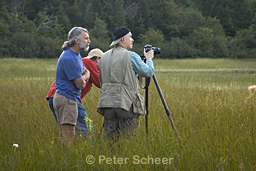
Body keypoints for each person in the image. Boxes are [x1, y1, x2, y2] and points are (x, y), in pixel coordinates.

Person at [97, 27, 154, 141]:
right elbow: (148, 72)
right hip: (126, 104)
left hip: (107, 103)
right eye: (130, 37)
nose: (132, 40)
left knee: (109, 141)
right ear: (123, 39)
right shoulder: (131, 56)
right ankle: (125, 159)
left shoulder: (103, 57)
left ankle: (108, 158)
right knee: (127, 141)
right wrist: (149, 59)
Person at [46, 48, 103, 138]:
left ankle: (69, 150)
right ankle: (87, 150)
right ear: (97, 59)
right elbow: (100, 83)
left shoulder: (80, 61)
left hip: (53, 97)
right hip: (66, 96)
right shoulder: (89, 63)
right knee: (87, 128)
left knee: (67, 131)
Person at [53, 27, 91, 143]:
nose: (89, 41)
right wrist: (86, 75)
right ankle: (66, 160)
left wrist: (83, 75)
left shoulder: (76, 56)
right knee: (68, 137)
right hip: (67, 99)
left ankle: (65, 158)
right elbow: (80, 84)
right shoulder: (69, 57)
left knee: (67, 135)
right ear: (77, 40)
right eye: (86, 38)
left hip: (68, 98)